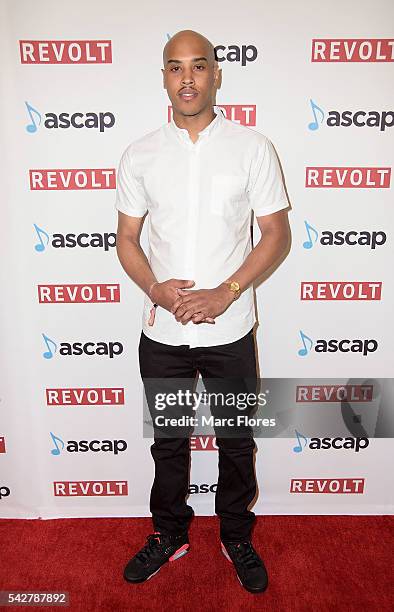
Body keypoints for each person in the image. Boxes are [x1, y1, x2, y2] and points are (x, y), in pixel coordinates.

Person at [114, 29, 290, 594]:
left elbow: (275, 235)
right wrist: (157, 291)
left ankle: (236, 534)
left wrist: (227, 291)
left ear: (217, 74)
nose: (187, 78)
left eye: (198, 66)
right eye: (174, 68)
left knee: (237, 441)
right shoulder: (139, 153)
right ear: (163, 78)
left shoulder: (253, 147)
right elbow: (127, 240)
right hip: (162, 332)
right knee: (169, 440)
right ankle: (169, 533)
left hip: (232, 328)